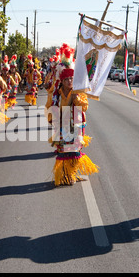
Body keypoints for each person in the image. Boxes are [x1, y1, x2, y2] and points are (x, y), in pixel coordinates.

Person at [49, 43, 99, 186]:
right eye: (66, 79)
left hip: (75, 125)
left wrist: (77, 100)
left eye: (71, 79)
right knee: (63, 151)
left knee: (74, 151)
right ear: (62, 81)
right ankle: (64, 174)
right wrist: (51, 119)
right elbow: (51, 107)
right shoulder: (56, 93)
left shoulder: (79, 91)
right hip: (61, 125)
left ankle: (71, 173)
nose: (69, 81)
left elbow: (85, 107)